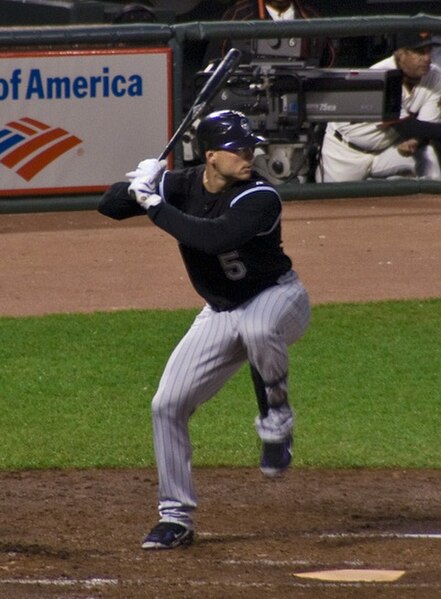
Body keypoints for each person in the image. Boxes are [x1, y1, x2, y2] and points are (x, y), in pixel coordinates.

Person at [98, 109, 310, 549]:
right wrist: (140, 185)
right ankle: (175, 518)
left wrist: (154, 204)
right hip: (218, 311)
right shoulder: (180, 185)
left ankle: (276, 419)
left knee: (257, 326)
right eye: (238, 148)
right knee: (166, 404)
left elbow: (213, 238)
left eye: (251, 147)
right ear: (210, 155)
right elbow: (108, 207)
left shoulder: (260, 196)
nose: (248, 155)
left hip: (278, 298)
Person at [316, 31, 441, 183]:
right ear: (401, 54)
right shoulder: (381, 74)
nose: (427, 58)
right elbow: (406, 127)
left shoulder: (435, 76)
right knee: (333, 204)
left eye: (429, 51)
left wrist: (414, 141)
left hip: (387, 151)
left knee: (429, 160)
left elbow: (426, 126)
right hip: (346, 152)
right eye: (419, 52)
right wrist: (414, 134)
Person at [203, 0, 335, 67]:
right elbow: (211, 70)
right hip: (250, 103)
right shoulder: (239, 15)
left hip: (302, 103)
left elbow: (329, 69)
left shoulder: (312, 18)